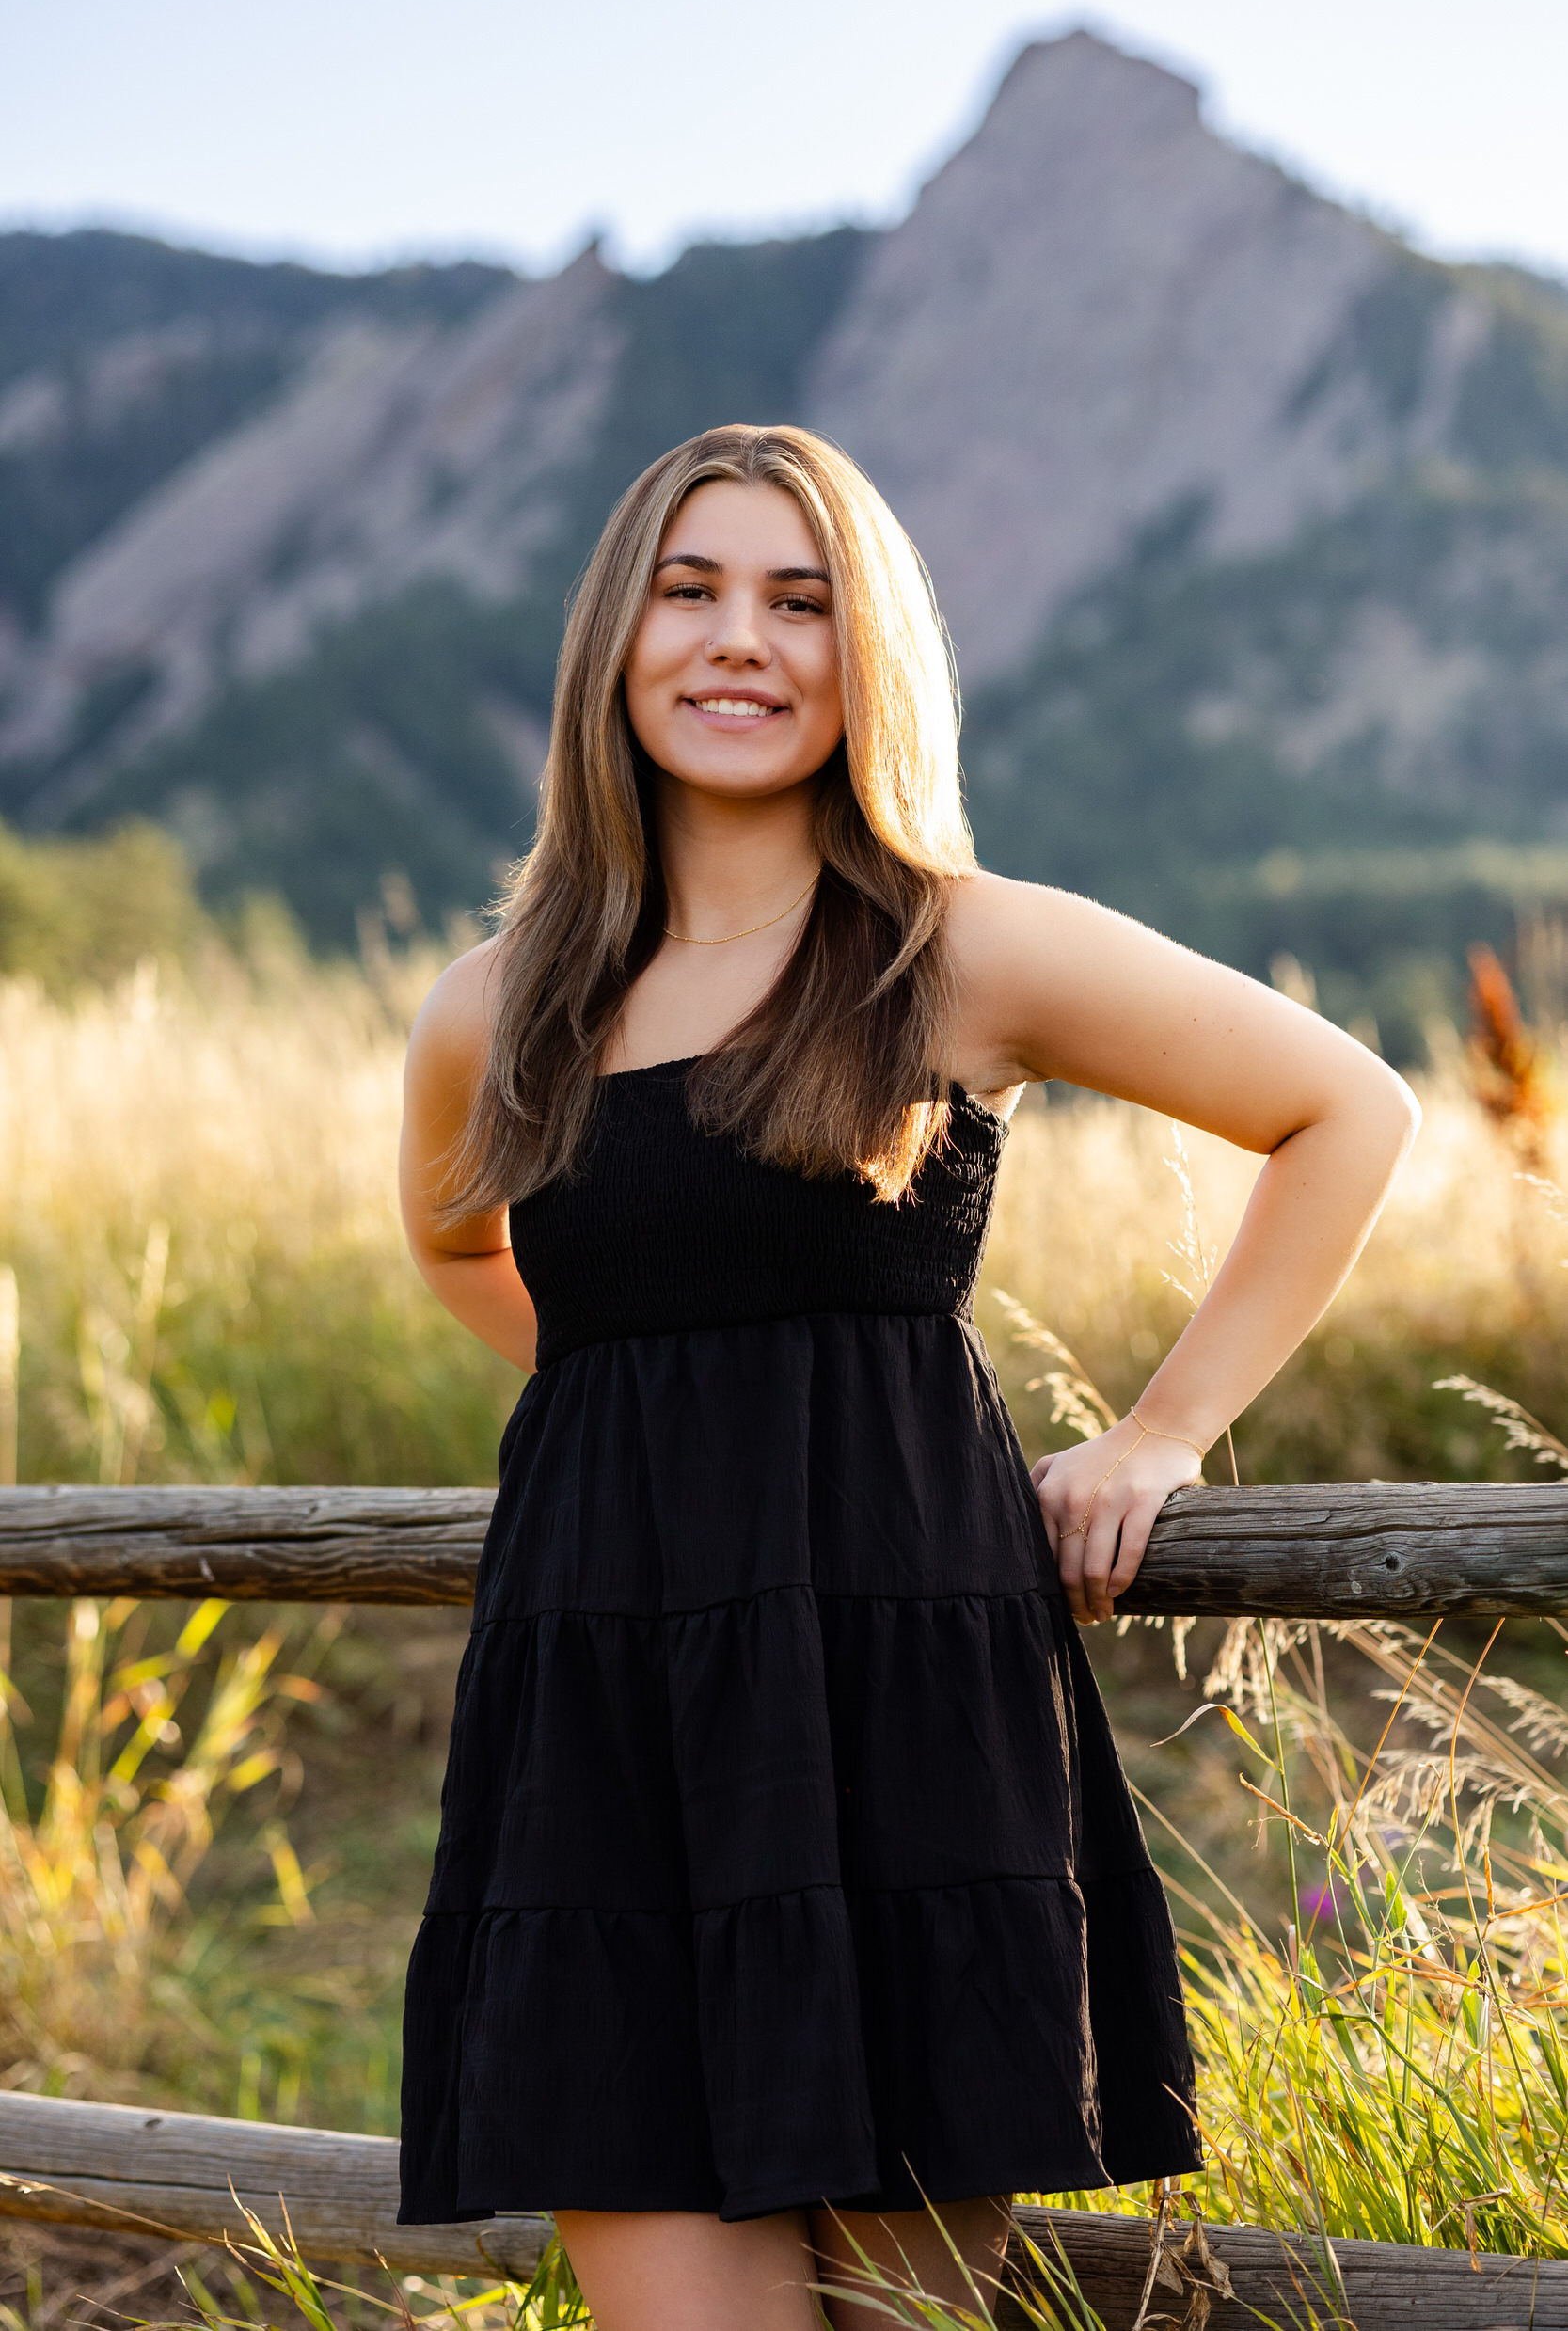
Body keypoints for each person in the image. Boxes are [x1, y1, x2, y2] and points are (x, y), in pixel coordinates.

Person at [395, 424, 1418, 2330]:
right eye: (690, 589)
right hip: (609, 1703)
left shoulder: (957, 946)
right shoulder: (497, 1000)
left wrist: (1166, 1427)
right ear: (614, 637)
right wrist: (649, 1412)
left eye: (802, 600)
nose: (739, 640)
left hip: (903, 1699)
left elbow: (1344, 1106)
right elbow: (459, 1240)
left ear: (870, 655)